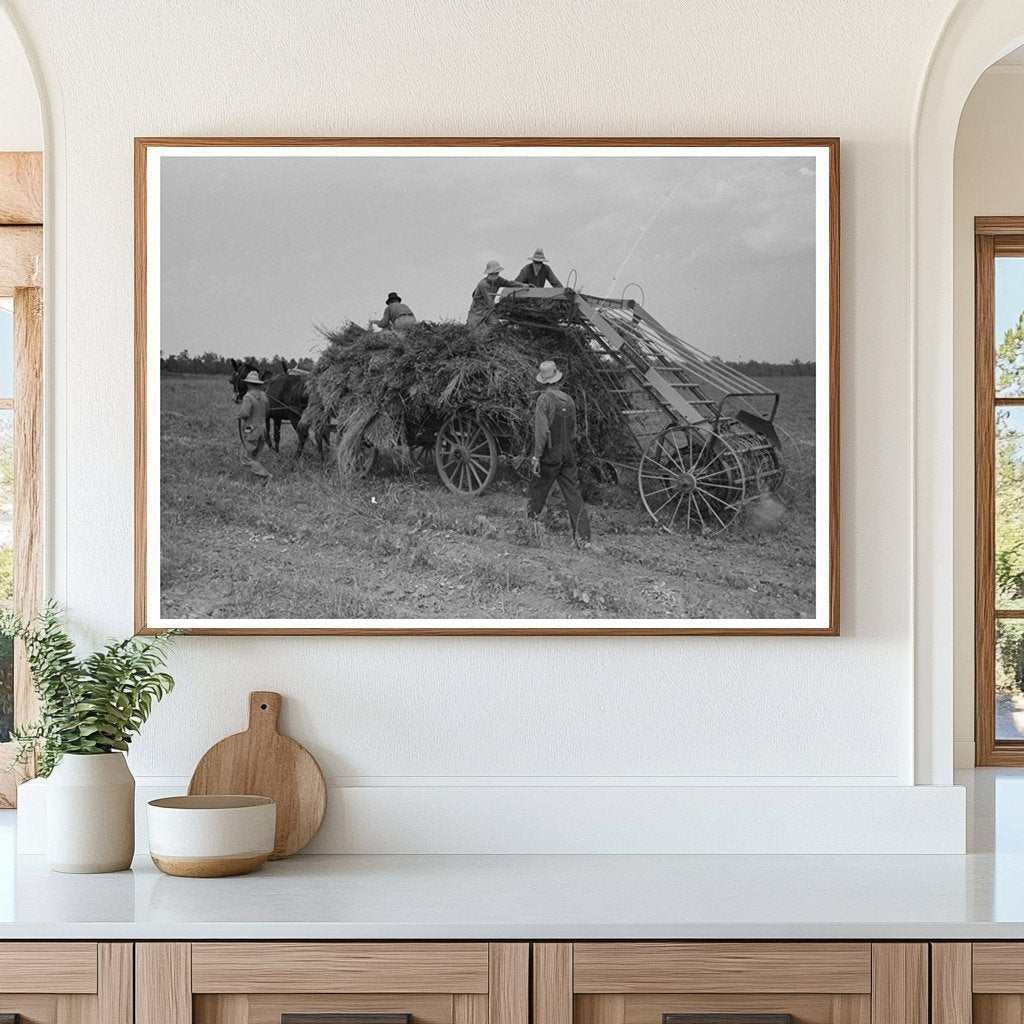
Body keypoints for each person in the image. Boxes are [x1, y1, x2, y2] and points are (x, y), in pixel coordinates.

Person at [528, 360, 592, 549]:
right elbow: (573, 431)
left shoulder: (544, 400)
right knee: (573, 494)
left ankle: (530, 531)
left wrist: (536, 457)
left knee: (538, 489)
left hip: (550, 454)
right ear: (557, 379)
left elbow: (541, 431)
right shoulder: (569, 399)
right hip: (568, 453)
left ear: (543, 381)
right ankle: (583, 539)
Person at [467, 259, 526, 329]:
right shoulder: (483, 284)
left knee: (496, 325)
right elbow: (490, 302)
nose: (496, 275)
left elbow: (509, 283)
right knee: (472, 330)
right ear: (489, 274)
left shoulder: (499, 280)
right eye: (493, 274)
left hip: (488, 310)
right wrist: (499, 307)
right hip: (477, 311)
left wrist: (522, 285)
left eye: (497, 273)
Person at [236, 370, 271, 479]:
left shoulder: (248, 397)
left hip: (251, 430)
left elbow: (244, 413)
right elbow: (268, 412)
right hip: (263, 430)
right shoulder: (265, 396)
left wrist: (239, 415)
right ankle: (256, 479)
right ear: (258, 384)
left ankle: (266, 475)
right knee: (254, 456)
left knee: (245, 457)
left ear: (248, 384)